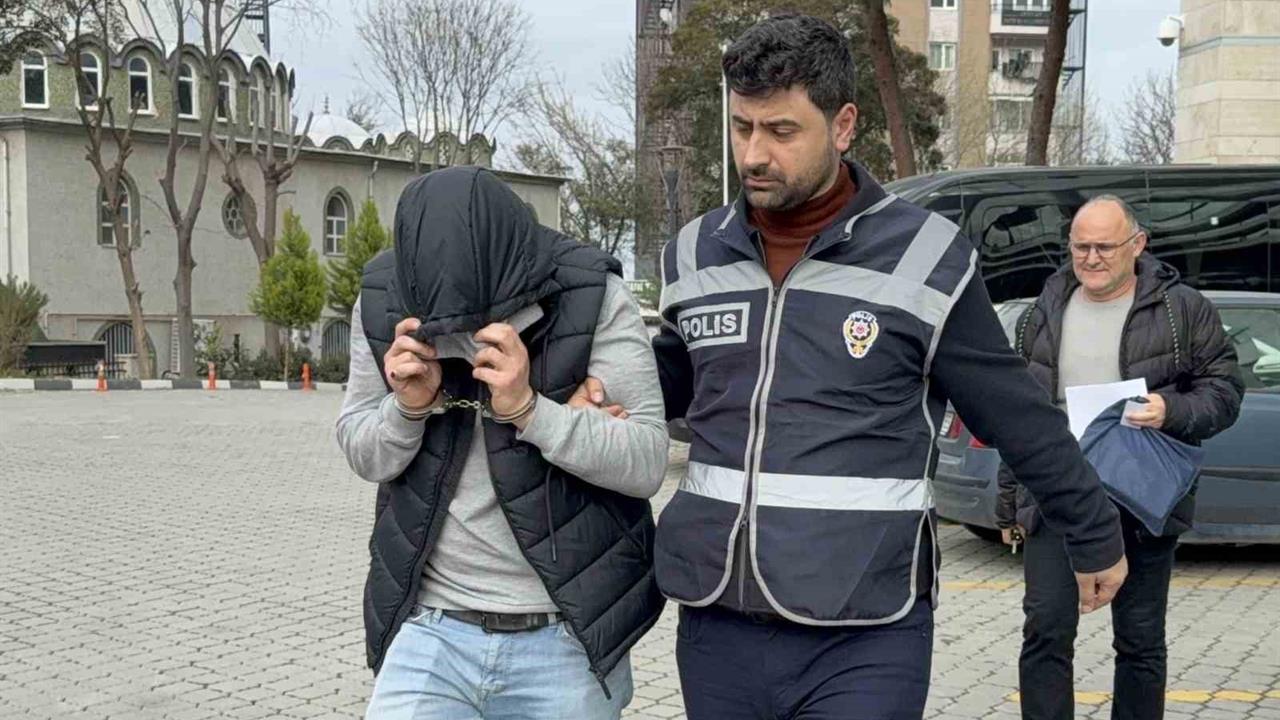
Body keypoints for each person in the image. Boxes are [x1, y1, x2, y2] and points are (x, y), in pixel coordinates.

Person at [581, 13, 1128, 720]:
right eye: (742, 127)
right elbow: (675, 383)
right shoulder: (693, 253)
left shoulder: (927, 257)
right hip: (717, 615)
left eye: (781, 131)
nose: (753, 154)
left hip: (866, 626)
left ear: (843, 127)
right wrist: (601, 393)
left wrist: (1092, 529)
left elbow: (1012, 410)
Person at [335, 166, 668, 719]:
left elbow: (647, 460)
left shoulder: (592, 294)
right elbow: (362, 451)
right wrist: (407, 409)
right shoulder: (382, 300)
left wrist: (530, 409)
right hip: (430, 627)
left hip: (567, 635)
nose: (463, 342)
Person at [999, 195, 1243, 720]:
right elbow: (1021, 412)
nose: (1091, 258)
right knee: (1045, 631)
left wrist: (1171, 409)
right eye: (1080, 247)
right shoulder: (1044, 309)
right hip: (1057, 493)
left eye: (1105, 247)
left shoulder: (1182, 309)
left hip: (1141, 494)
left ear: (1138, 245)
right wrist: (1008, 503)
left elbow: (1225, 391)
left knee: (1139, 640)